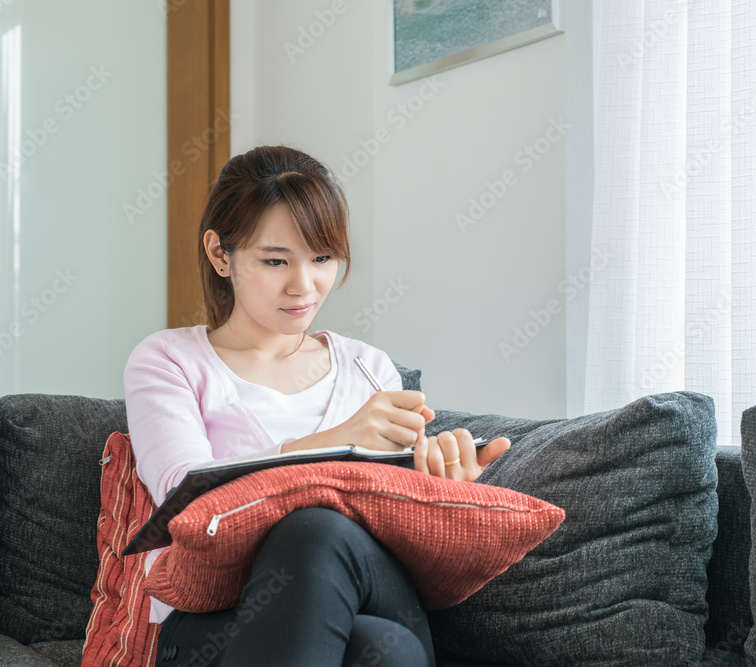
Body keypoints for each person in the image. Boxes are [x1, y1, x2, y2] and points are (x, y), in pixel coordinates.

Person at [123, 144, 511, 667]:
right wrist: (340, 438)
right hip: (216, 615)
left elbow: (396, 525)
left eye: (322, 259)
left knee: (321, 533)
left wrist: (442, 489)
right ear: (220, 254)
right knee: (380, 650)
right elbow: (185, 495)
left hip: (369, 587)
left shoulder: (370, 368)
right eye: (275, 260)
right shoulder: (169, 359)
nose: (304, 287)